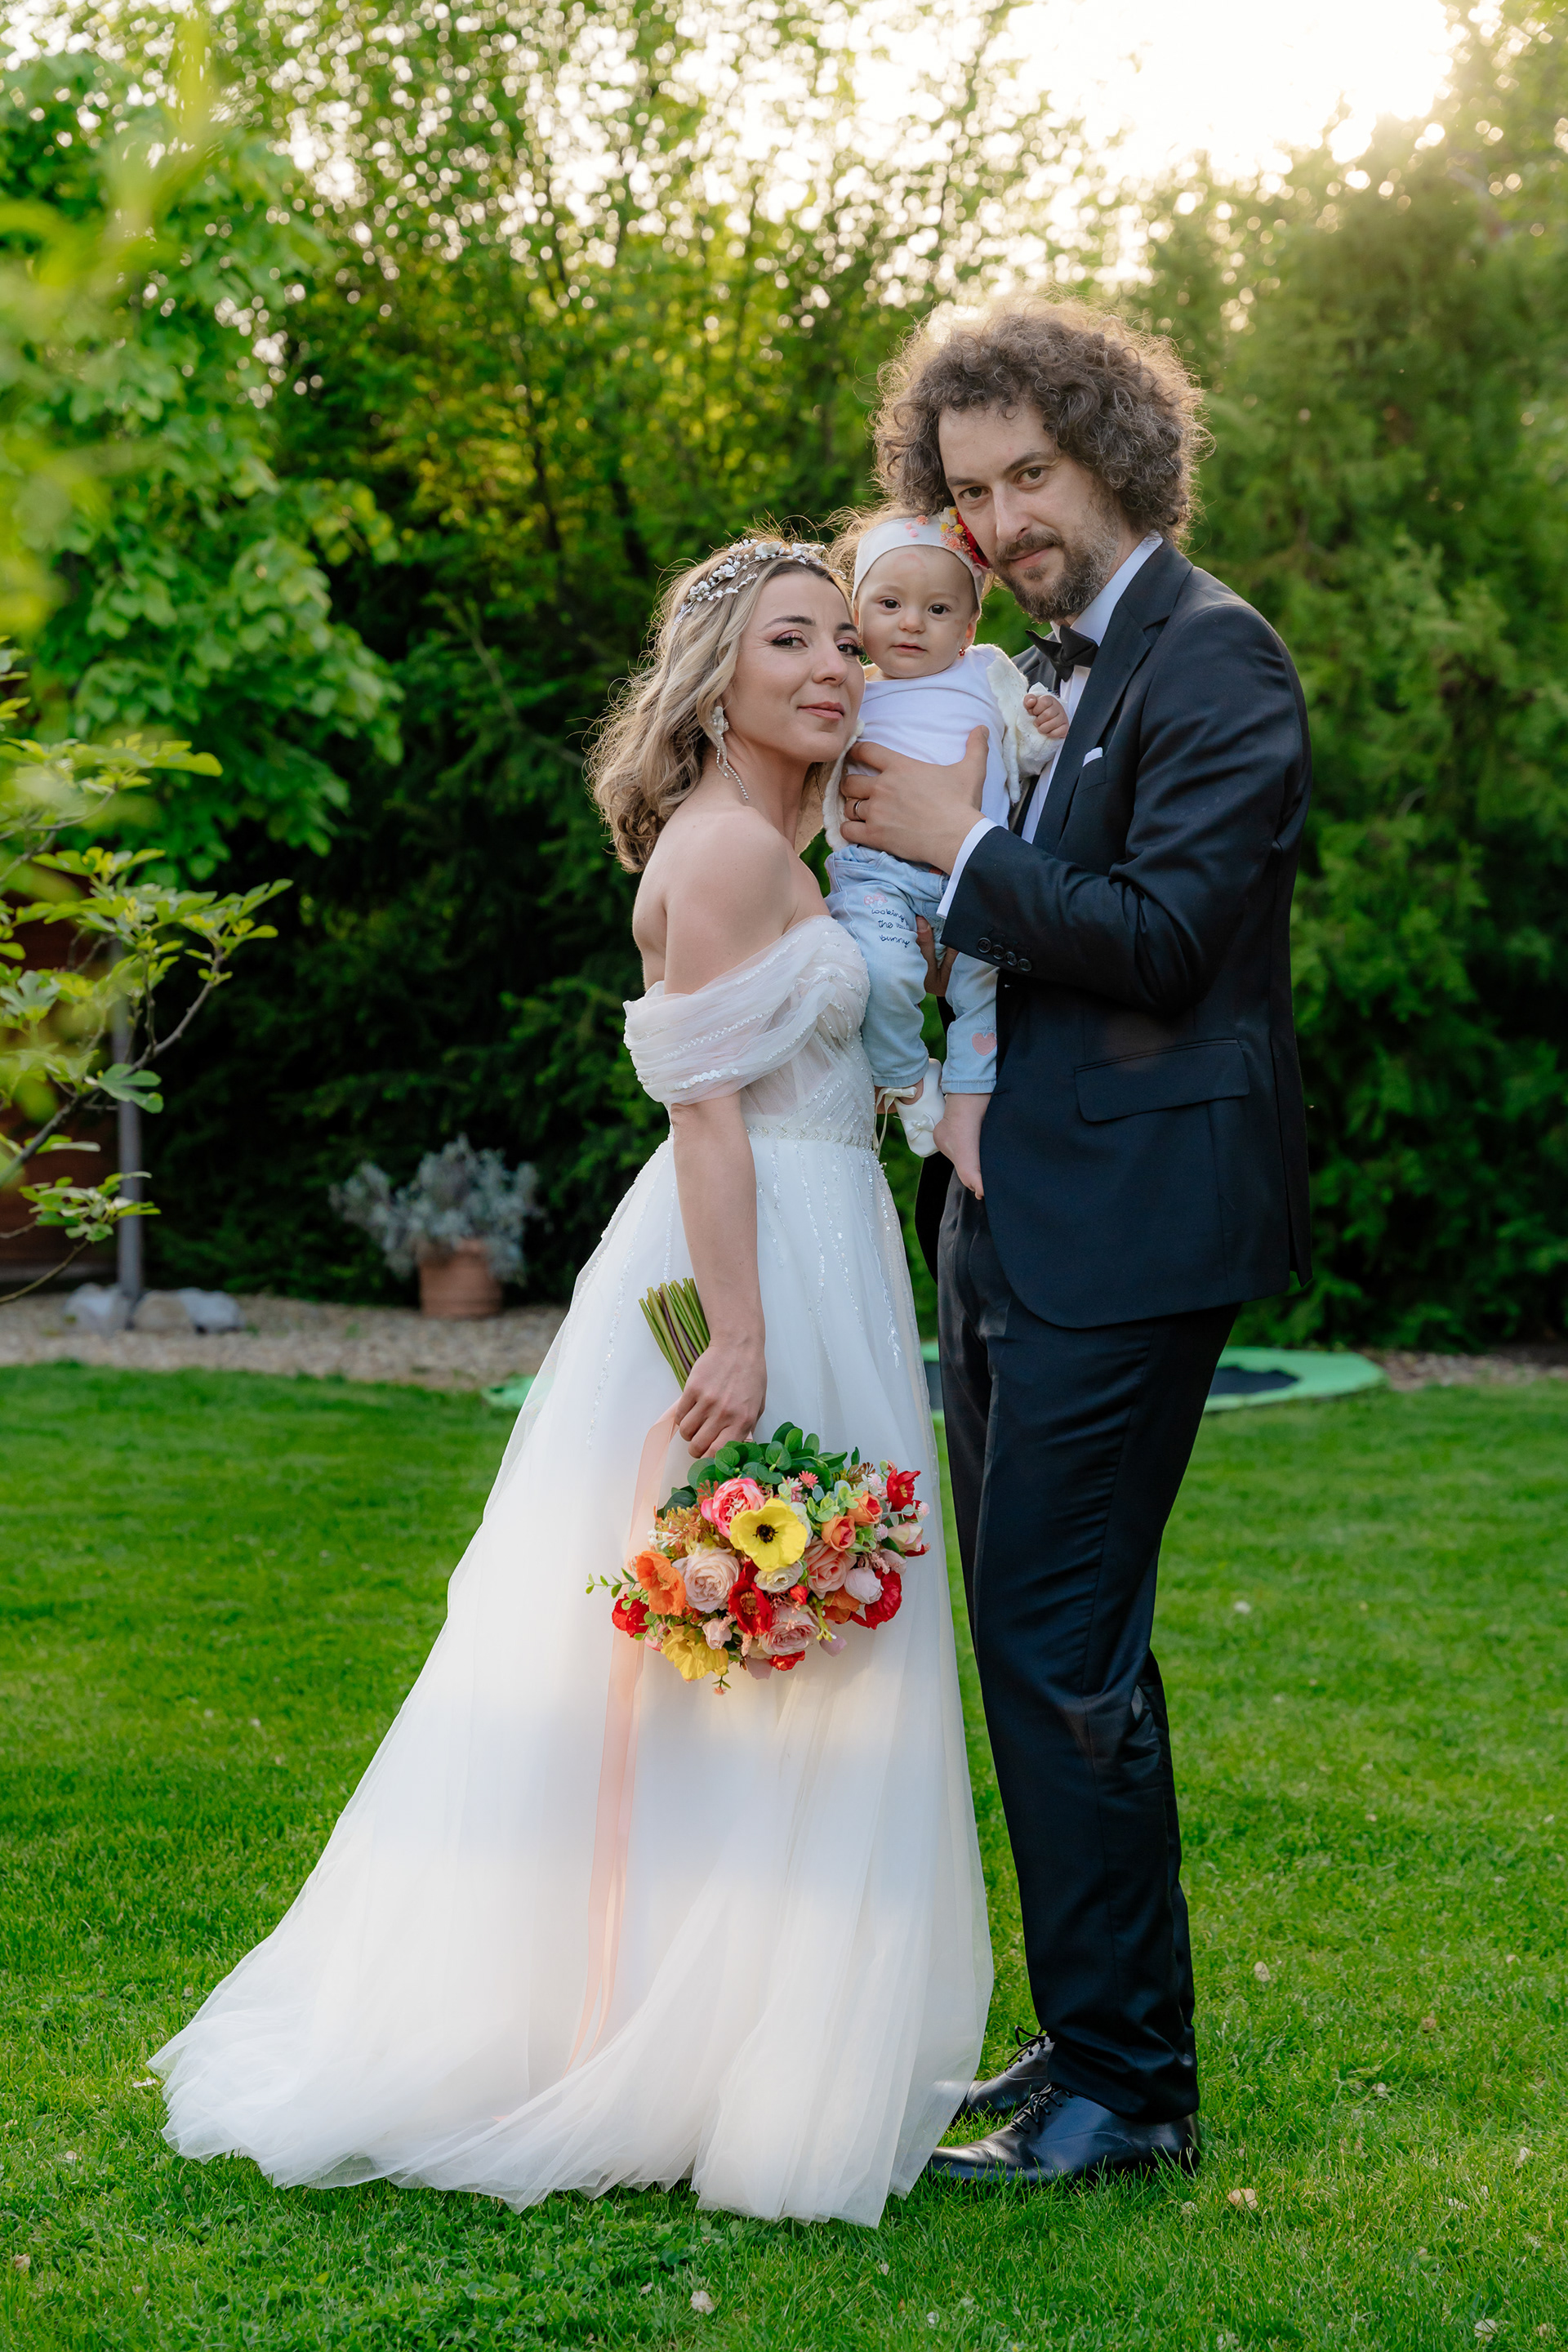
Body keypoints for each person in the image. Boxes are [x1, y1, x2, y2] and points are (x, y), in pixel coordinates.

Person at [152, 537, 991, 2228]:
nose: (834, 668)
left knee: (778, 1651)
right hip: (755, 1264)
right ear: (715, 679)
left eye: (849, 641)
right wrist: (739, 1338)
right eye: (792, 642)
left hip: (821, 1243)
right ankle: (652, 2041)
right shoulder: (729, 849)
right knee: (724, 1648)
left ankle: (724, 2033)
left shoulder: (788, 843)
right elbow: (705, 1116)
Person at [840, 299, 1312, 2188]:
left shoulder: (1216, 660)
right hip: (1011, 1208)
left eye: (1030, 473)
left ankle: (1132, 2091)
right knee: (1050, 1642)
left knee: (1053, 1639)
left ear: (1115, 451)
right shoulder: (1032, 669)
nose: (1002, 519)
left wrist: (955, 847)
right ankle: (1094, 2039)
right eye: (970, 491)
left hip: (1132, 1227)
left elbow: (1167, 939)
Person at [821, 506, 1064, 1196]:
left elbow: (1028, 753)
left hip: (975, 877)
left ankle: (965, 1108)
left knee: (984, 994)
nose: (911, 624)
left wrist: (1047, 725)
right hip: (879, 874)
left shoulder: (988, 672)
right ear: (856, 617)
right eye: (889, 604)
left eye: (937, 609)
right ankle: (903, 1077)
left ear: (969, 627)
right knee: (884, 972)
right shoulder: (852, 691)